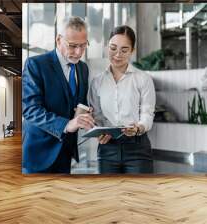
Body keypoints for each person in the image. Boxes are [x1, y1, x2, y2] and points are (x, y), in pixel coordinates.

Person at [22, 16, 94, 174]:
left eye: (83, 46)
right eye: (73, 46)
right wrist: (66, 125)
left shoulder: (83, 69)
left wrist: (85, 114)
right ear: (58, 40)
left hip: (66, 152)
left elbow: (76, 104)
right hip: (39, 154)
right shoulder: (35, 65)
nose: (79, 52)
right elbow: (30, 110)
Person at [88, 25, 156, 174]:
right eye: (113, 48)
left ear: (132, 51)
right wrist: (99, 131)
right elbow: (97, 115)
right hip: (107, 149)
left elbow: (147, 114)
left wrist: (138, 127)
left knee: (138, 195)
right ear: (107, 47)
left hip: (137, 148)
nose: (117, 54)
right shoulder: (97, 81)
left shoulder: (143, 79)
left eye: (124, 50)